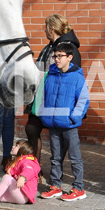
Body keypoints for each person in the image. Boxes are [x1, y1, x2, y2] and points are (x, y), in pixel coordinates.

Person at [25, 13, 81, 172]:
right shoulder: (51, 45)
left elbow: (71, 75)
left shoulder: (68, 47)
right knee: (32, 128)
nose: (44, 31)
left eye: (46, 27)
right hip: (42, 95)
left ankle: (56, 171)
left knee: (59, 135)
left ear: (52, 28)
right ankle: (35, 168)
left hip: (57, 97)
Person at [37, 41, 89, 201]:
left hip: (69, 125)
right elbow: (43, 96)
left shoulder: (77, 77)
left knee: (74, 157)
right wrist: (44, 114)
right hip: (53, 123)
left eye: (60, 56)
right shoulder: (50, 75)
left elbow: (83, 100)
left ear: (70, 57)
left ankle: (79, 188)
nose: (57, 59)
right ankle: (55, 186)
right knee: (55, 157)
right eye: (55, 56)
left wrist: (73, 117)